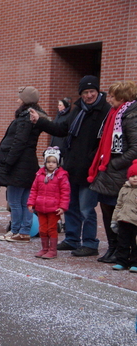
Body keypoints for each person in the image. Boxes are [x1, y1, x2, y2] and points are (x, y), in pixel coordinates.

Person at [30, 75, 111, 257]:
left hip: (90, 169)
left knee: (86, 208)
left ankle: (90, 243)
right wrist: (41, 121)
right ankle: (72, 239)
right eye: (85, 92)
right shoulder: (78, 110)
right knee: (71, 205)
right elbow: (61, 129)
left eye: (92, 91)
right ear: (80, 94)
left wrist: (94, 159)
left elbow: (104, 142)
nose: (89, 95)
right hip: (72, 166)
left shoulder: (105, 110)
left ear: (98, 91)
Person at [87, 81, 137, 264]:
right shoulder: (114, 114)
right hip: (107, 172)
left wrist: (115, 164)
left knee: (121, 216)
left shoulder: (131, 117)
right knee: (107, 213)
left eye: (112, 96)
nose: (108, 99)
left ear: (122, 98)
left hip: (119, 174)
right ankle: (112, 248)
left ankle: (124, 251)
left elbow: (135, 148)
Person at [0, 86, 48, 243]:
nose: (17, 98)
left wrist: (8, 162)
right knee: (25, 201)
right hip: (27, 163)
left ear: (25, 99)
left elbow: (19, 141)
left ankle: (17, 230)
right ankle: (24, 231)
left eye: (20, 96)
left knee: (15, 201)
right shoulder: (32, 116)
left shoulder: (26, 117)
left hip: (19, 165)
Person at [27, 147, 71, 258]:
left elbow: (65, 192)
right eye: (48, 162)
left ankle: (52, 250)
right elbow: (34, 190)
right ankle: (45, 248)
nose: (51, 164)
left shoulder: (61, 176)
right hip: (41, 207)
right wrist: (31, 203)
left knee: (52, 229)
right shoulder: (39, 175)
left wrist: (62, 207)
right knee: (42, 229)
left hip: (53, 209)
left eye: (54, 162)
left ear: (58, 163)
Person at [111, 160, 137, 273]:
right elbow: (119, 205)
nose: (135, 178)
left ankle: (135, 262)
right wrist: (114, 220)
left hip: (135, 222)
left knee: (135, 244)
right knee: (122, 243)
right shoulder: (124, 189)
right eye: (132, 176)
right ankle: (121, 261)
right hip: (123, 220)